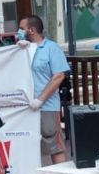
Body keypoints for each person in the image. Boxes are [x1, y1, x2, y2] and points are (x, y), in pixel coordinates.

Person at [17, 15, 71, 165]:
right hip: (24, 106)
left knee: (54, 144)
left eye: (22, 28)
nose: (18, 31)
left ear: (32, 30)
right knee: (26, 143)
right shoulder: (22, 49)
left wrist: (40, 99)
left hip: (46, 106)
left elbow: (58, 76)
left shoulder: (51, 48)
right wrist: (18, 49)